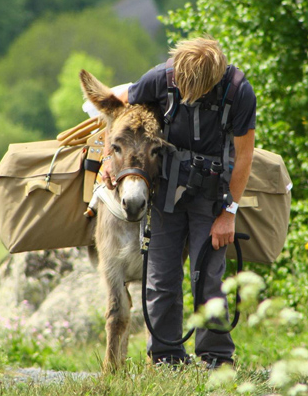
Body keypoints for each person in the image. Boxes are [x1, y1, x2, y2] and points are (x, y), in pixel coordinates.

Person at [102, 37, 256, 368]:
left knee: (209, 277)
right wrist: (107, 160)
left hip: (212, 196)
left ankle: (216, 358)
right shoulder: (161, 76)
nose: (186, 92)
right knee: (160, 280)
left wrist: (229, 213)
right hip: (165, 195)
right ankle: (165, 358)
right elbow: (118, 108)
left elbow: (244, 157)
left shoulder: (239, 90)